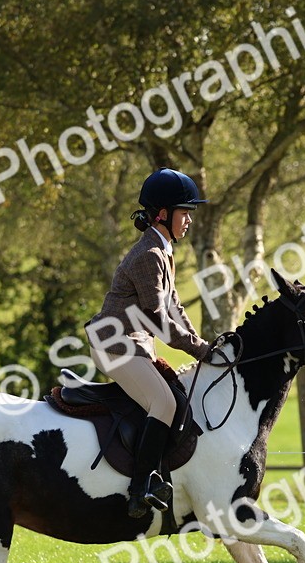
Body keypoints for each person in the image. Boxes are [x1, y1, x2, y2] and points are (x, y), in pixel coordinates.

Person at [84, 168, 212, 518]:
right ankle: (140, 488)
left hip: (132, 344)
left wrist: (201, 343)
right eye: (185, 212)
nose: (189, 220)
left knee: (172, 398)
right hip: (114, 345)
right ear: (162, 214)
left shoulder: (163, 250)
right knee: (164, 403)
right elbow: (158, 318)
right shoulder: (148, 255)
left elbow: (175, 307)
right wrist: (198, 349)